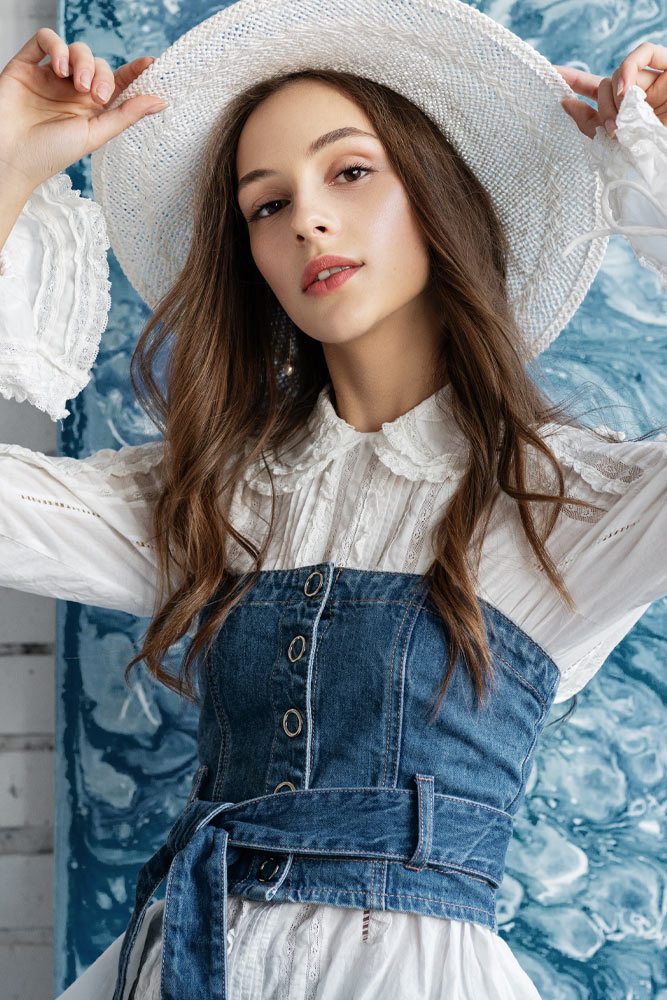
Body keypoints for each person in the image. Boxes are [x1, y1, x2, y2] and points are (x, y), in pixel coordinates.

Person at [0, 1, 665, 997]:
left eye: (349, 171)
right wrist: (7, 163)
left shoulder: (563, 498)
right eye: (265, 204)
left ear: (435, 194)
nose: (307, 215)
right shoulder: (208, 496)